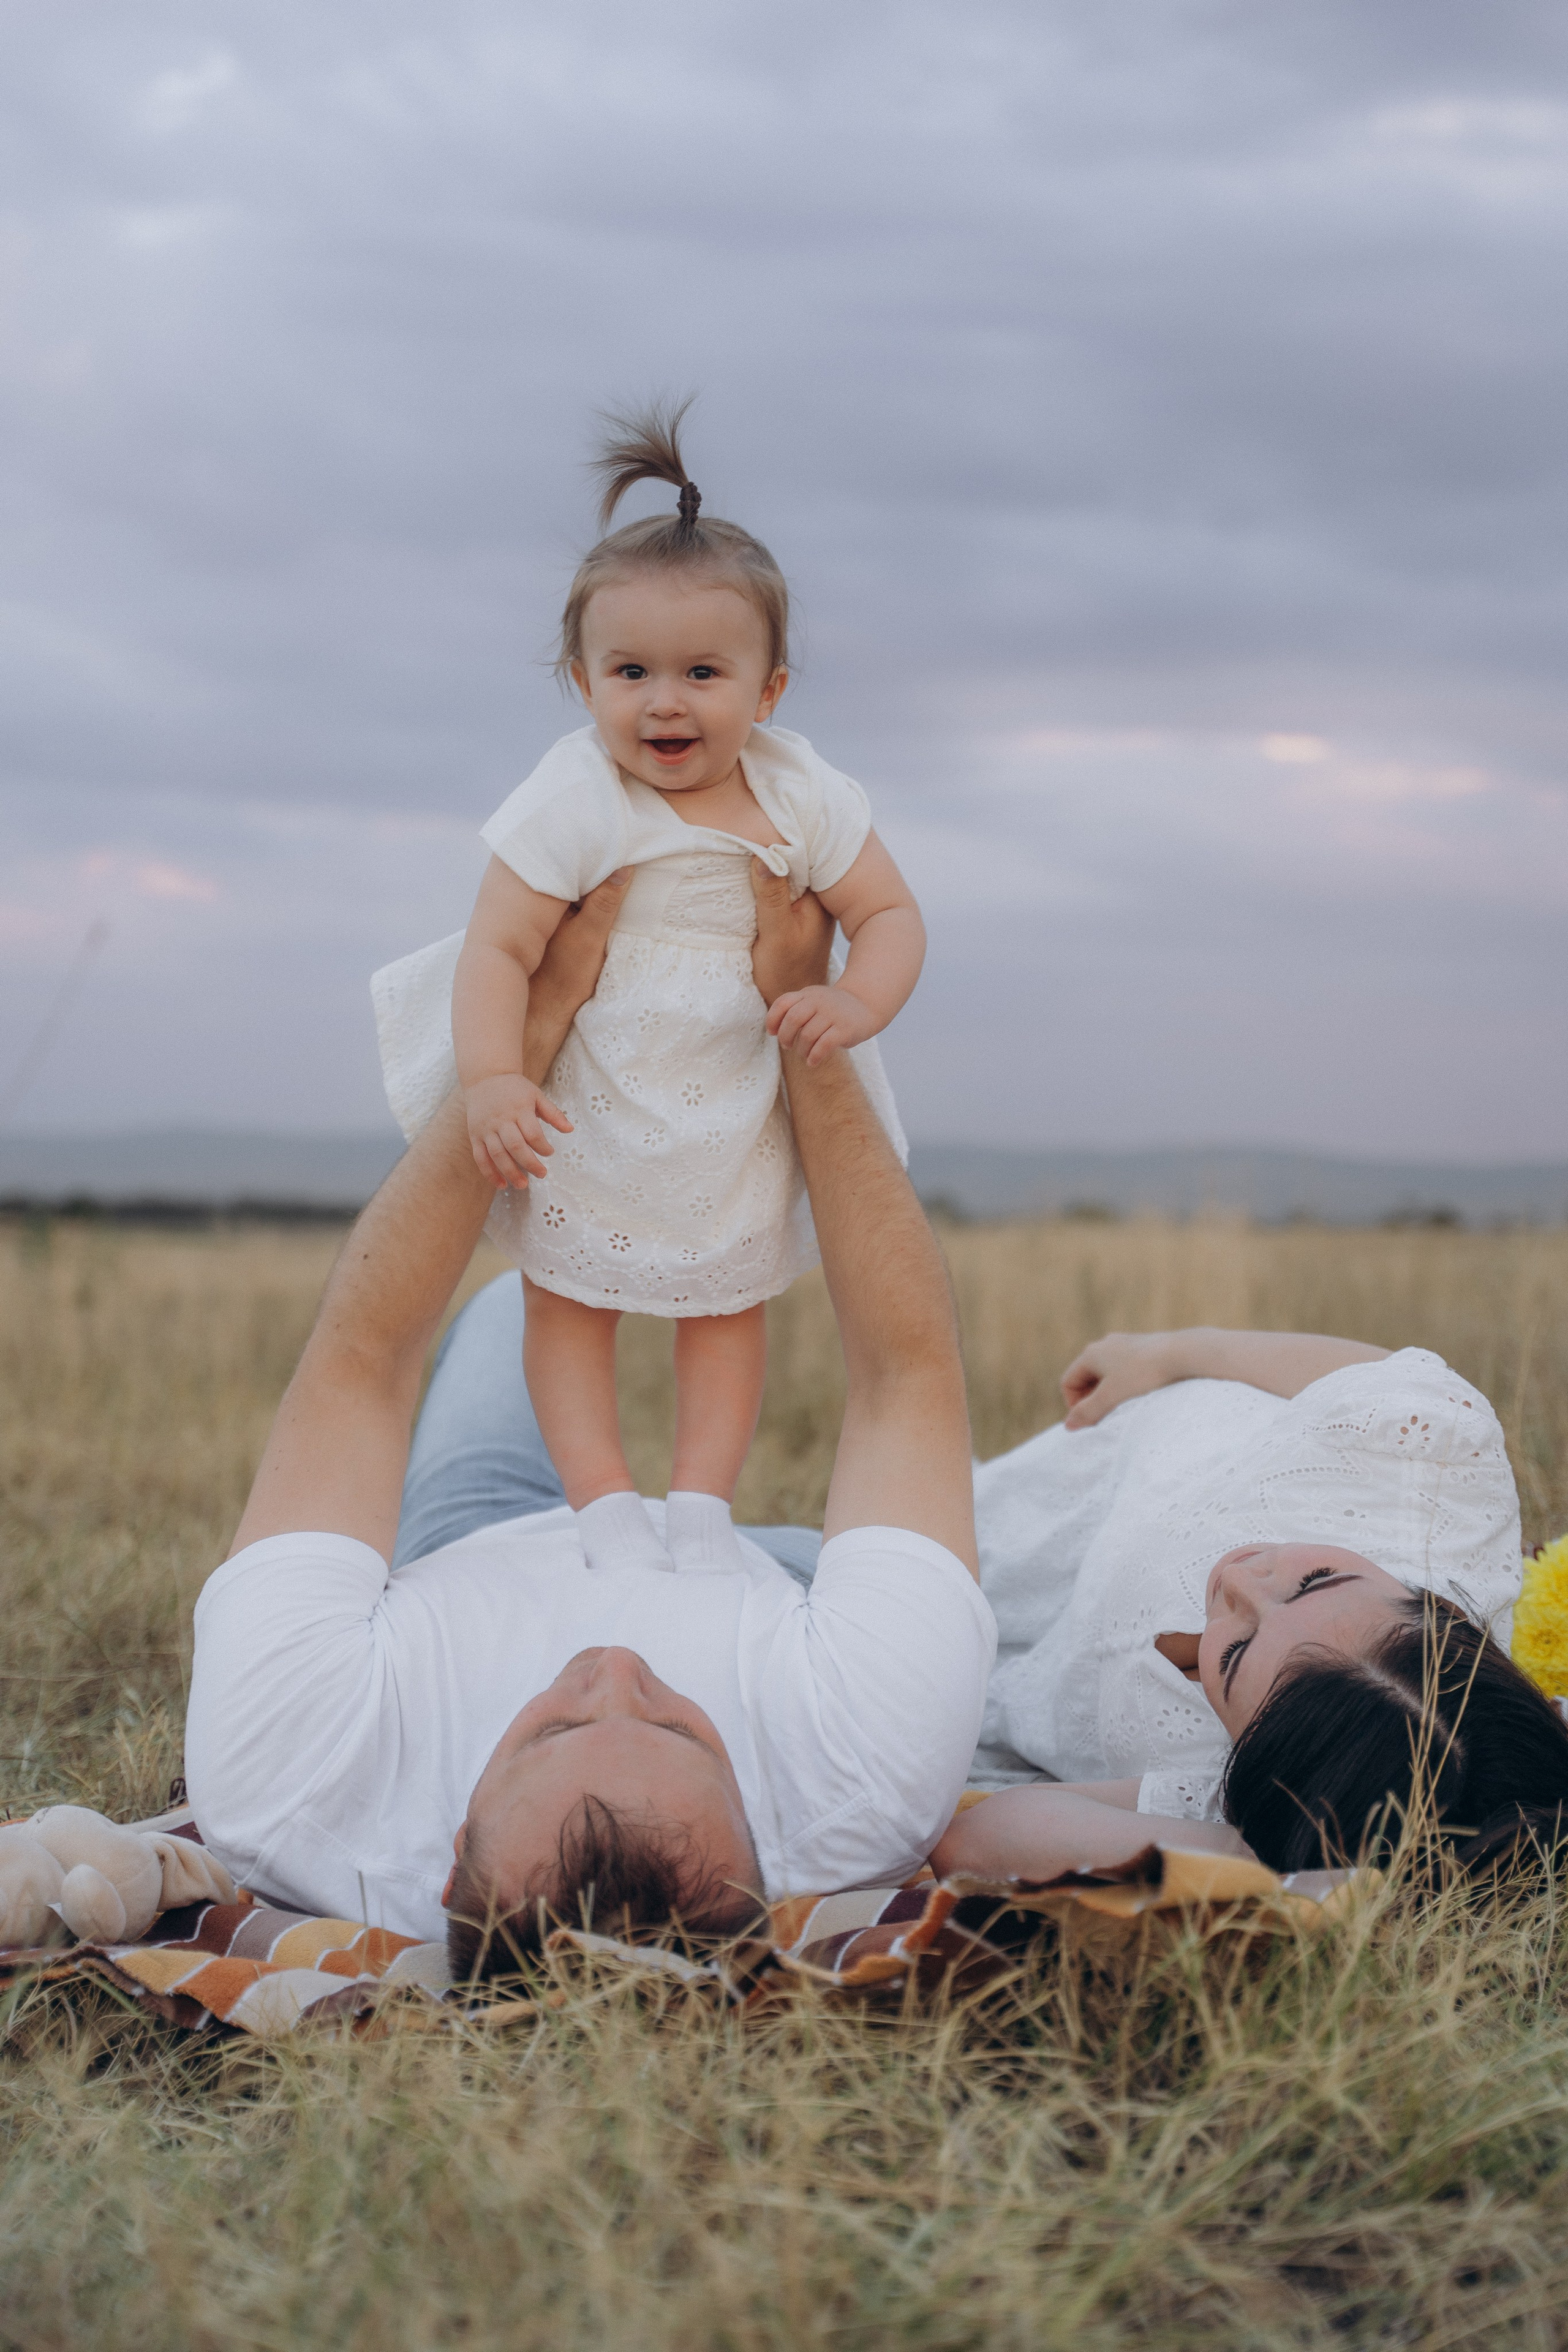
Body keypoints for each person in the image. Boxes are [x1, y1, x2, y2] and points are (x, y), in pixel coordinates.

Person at [183, 864, 994, 1977]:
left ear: (446, 1856)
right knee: (958, 1584)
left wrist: (528, 1036)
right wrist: (804, 1018)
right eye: (675, 1724)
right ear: (774, 1850)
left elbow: (362, 1364)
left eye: (556, 1727)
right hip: (763, 1587)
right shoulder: (864, 1779)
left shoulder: (288, 1785)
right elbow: (906, 1376)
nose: (613, 1662)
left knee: (522, 1289)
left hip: (470, 1542)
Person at [372, 401, 924, 1578]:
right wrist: (492, 1080)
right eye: (630, 672)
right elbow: (498, 950)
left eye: (701, 673)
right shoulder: (578, 799)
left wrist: (859, 1002)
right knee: (565, 1302)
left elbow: (889, 914)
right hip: (592, 1102)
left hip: (732, 1105)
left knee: (727, 1311)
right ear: (581, 681)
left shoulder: (802, 795)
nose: (663, 703)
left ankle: (704, 1509)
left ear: (769, 691)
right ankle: (604, 1508)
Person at [932, 1327, 1568, 1883]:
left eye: (1234, 1656)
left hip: (953, 1595)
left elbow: (982, 1835)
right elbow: (1369, 1379)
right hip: (1040, 1482)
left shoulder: (1242, 1784)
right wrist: (1166, 1352)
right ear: (1437, 1605)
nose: (1238, 1582)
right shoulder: (1436, 1491)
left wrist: (1277, 1852)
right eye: (1317, 1580)